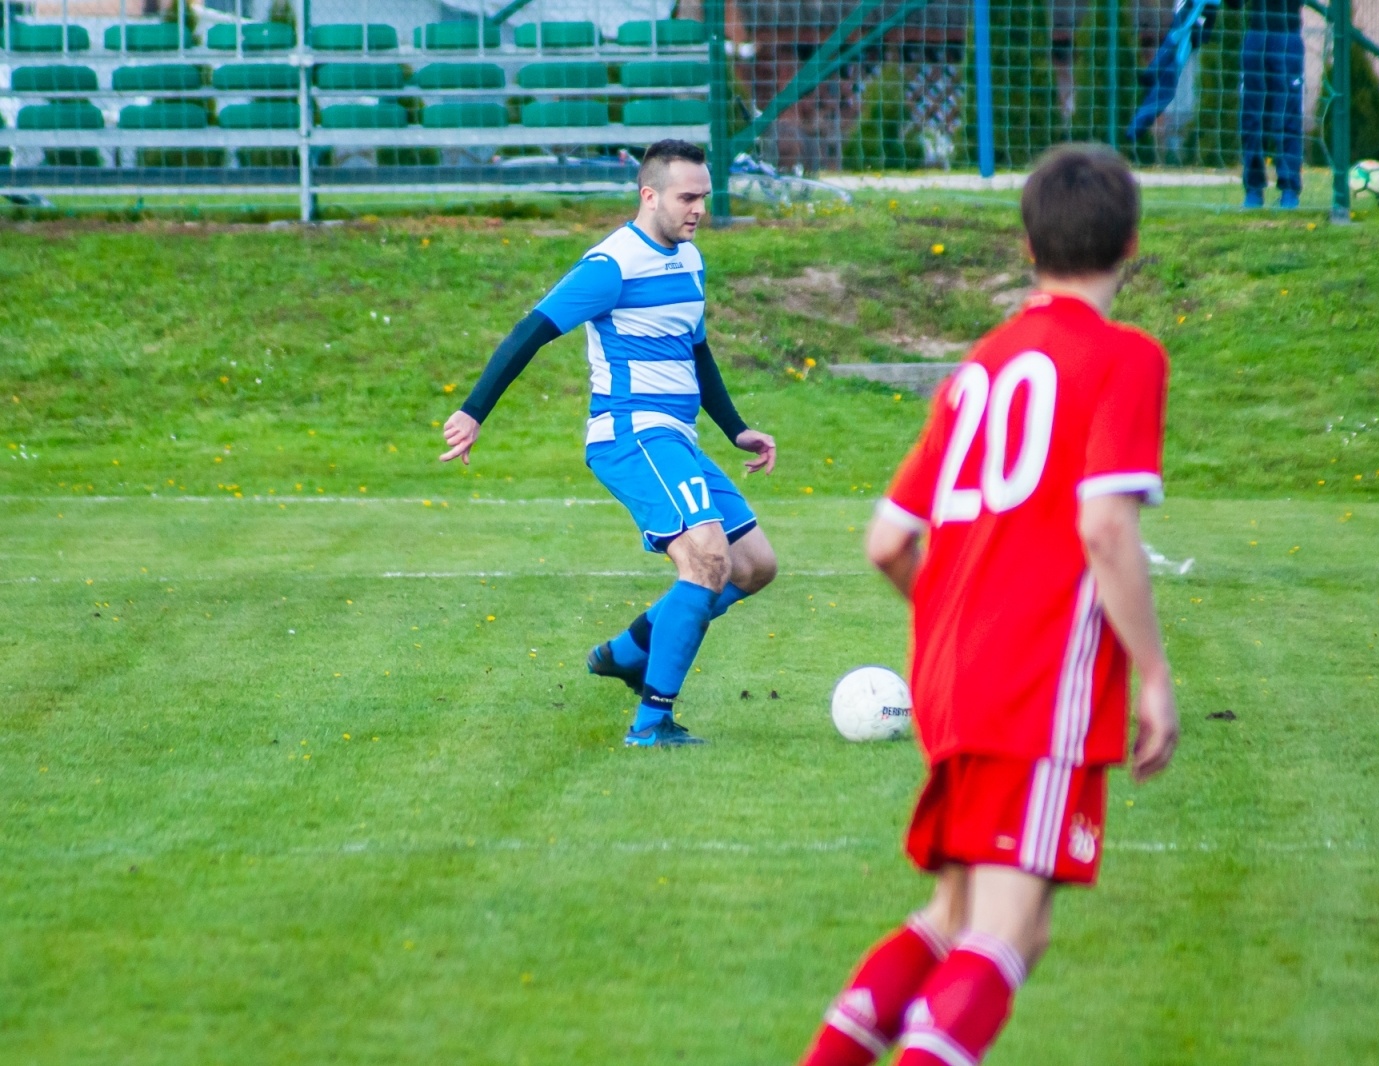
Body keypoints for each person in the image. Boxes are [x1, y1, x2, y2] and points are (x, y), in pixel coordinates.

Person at [795, 146, 1179, 1066]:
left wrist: (955, 624)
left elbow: (888, 540)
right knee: (1008, 933)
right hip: (1037, 683)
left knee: (954, 915)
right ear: (1131, 243)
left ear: (1025, 245)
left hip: (950, 676)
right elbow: (1105, 529)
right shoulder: (1123, 359)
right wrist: (1156, 677)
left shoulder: (984, 364)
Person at [438, 139, 778, 748]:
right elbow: (530, 331)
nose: (699, 208)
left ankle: (628, 652)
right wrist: (473, 412)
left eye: (704, 196)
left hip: (675, 436)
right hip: (631, 433)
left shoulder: (689, 260)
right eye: (687, 197)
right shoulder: (611, 265)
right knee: (704, 559)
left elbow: (695, 351)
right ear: (649, 196)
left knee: (753, 566)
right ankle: (652, 723)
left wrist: (736, 428)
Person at [1231, 0, 1305, 208]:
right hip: (1256, 35)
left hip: (1287, 35)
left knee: (1287, 117)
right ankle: (1253, 190)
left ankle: (1289, 190)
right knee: (1252, 118)